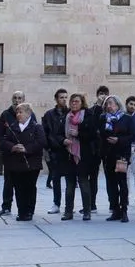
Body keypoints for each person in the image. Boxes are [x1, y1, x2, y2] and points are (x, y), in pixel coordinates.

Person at [0, 103, 45, 221]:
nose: (18, 114)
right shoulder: (12, 126)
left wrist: (26, 149)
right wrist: (13, 147)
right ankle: (21, 211)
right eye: (17, 112)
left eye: (21, 112)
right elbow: (4, 141)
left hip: (31, 164)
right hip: (16, 163)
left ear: (28, 113)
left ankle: (29, 211)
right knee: (18, 188)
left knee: (29, 187)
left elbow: (41, 142)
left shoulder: (36, 127)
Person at [0, 91, 36, 217]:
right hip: (11, 155)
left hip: (26, 156)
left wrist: (26, 148)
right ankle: (6, 206)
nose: (17, 100)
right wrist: (11, 147)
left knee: (27, 184)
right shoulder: (5, 115)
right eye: (15, 98)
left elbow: (35, 133)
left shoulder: (31, 114)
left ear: (24, 99)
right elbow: (0, 136)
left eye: (20, 98)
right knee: (8, 181)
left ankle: (27, 208)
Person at [100, 95, 135, 223]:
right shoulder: (103, 119)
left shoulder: (126, 118)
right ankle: (115, 209)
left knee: (122, 182)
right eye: (106, 104)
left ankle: (124, 210)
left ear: (117, 104)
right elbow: (99, 134)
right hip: (108, 155)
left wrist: (119, 140)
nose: (108, 106)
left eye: (110, 103)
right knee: (111, 184)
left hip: (121, 155)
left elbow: (133, 136)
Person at [61, 93, 93, 221]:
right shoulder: (67, 116)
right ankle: (68, 212)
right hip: (68, 154)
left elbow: (92, 134)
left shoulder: (88, 116)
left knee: (84, 183)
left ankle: (87, 211)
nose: (74, 104)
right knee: (69, 185)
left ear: (82, 103)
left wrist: (78, 134)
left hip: (83, 155)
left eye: (76, 101)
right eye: (72, 101)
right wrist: (63, 140)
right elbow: (58, 133)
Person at [42, 89, 70, 215]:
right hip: (55, 150)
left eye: (65, 97)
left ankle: (69, 205)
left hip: (69, 150)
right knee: (56, 178)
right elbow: (46, 133)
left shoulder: (71, 113)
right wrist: (49, 148)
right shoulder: (49, 115)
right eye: (61, 97)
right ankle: (56, 203)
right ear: (56, 99)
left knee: (70, 179)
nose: (64, 99)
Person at [84, 85, 110, 214]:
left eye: (105, 93)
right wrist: (98, 105)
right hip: (94, 149)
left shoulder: (111, 110)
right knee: (92, 177)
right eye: (101, 93)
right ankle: (91, 204)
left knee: (111, 177)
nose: (103, 95)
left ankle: (114, 204)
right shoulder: (93, 110)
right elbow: (92, 125)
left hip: (107, 148)